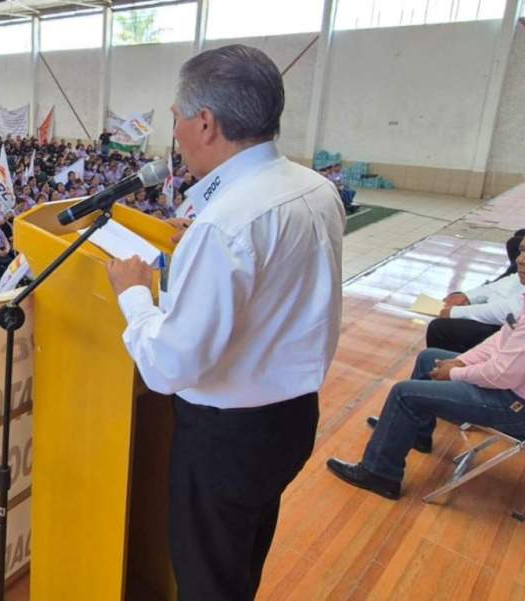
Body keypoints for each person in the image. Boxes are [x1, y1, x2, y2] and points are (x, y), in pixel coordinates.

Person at [104, 45, 345, 600]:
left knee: (209, 580)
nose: (178, 136)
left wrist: (135, 296)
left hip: (226, 436)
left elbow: (170, 366)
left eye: (177, 120)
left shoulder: (224, 223)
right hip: (289, 418)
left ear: (206, 122)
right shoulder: (314, 187)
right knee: (240, 564)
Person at [327, 232, 525, 501]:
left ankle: (380, 474)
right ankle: (417, 433)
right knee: (428, 358)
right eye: (523, 251)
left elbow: (500, 375)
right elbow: (499, 340)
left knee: (404, 393)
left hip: (515, 408)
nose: (521, 261)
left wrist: (455, 372)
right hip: (511, 391)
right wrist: (462, 360)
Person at [427, 272, 525, 353]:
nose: (520, 259)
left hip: (513, 330)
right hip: (503, 316)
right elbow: (509, 283)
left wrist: (455, 312)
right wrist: (467, 297)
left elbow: (510, 312)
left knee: (440, 327)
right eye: (522, 250)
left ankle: (453, 370)